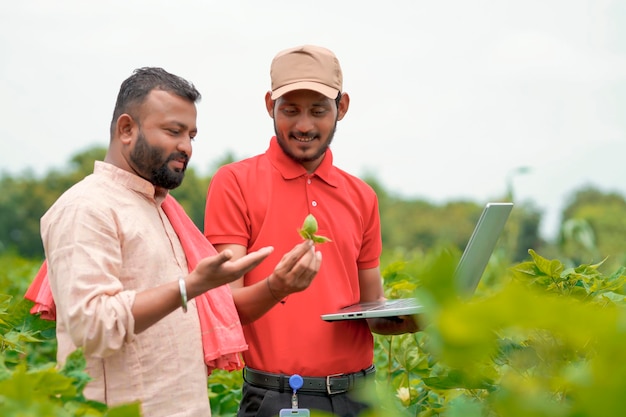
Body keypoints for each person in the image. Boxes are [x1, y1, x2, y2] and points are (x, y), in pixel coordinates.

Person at [37, 67, 320, 417]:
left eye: (191, 135)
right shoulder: (87, 208)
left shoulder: (161, 208)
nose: (185, 146)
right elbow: (92, 326)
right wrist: (191, 286)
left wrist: (275, 286)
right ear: (126, 129)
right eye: (173, 131)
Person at [203, 45, 419, 417]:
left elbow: (372, 310)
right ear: (270, 105)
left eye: (318, 111)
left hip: (360, 397)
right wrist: (277, 287)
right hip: (279, 400)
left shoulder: (361, 195)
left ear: (343, 107)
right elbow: (225, 309)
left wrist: (417, 316)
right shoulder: (235, 182)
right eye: (290, 110)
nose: (303, 126)